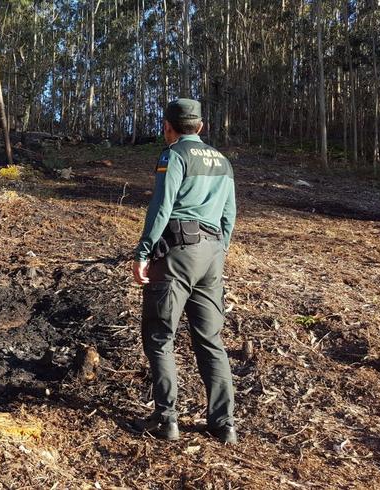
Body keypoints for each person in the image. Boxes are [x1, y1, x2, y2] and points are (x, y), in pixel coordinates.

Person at [132, 98, 237, 444]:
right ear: (201, 127)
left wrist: (144, 251)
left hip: (177, 252)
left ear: (168, 127)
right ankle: (223, 425)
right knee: (210, 340)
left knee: (160, 335)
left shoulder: (173, 155)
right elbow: (229, 215)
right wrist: (218, 250)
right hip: (211, 255)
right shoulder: (222, 161)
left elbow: (162, 206)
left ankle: (166, 420)